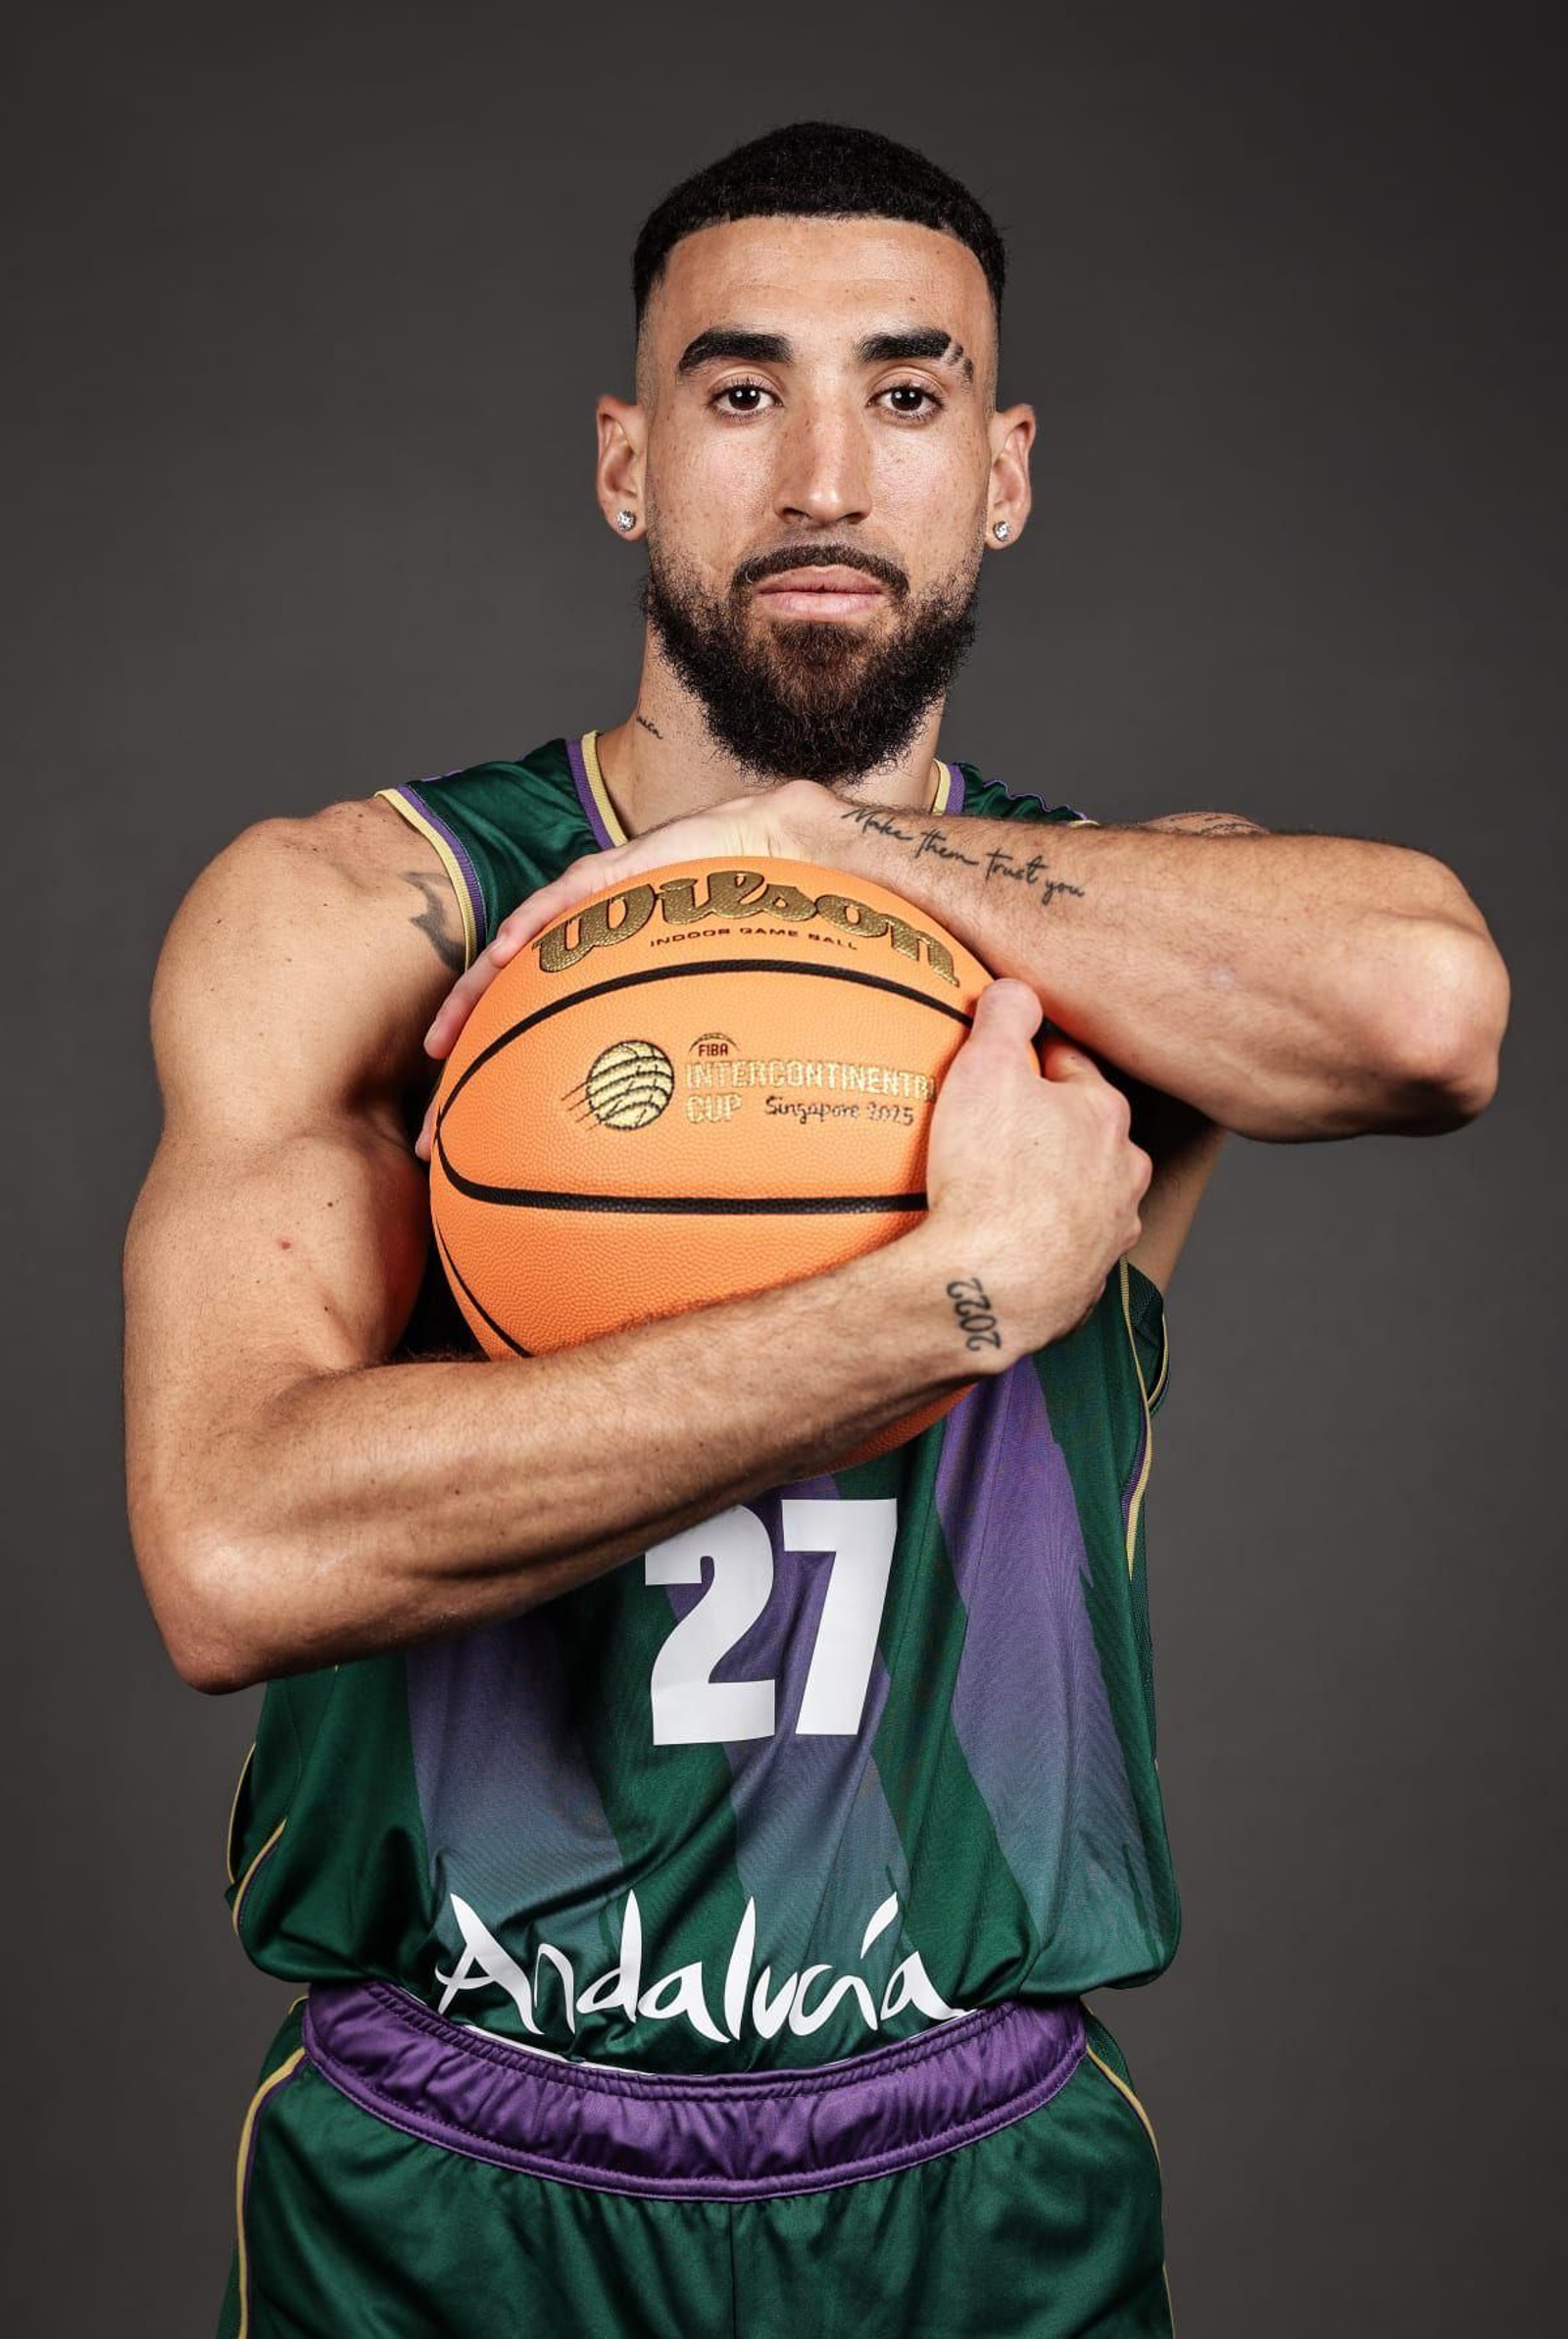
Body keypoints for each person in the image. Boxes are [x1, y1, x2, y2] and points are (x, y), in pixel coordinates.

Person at [122, 121, 1508, 2338]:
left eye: (908, 391)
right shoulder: (362, 919)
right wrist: (943, 1299)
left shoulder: (1126, 929)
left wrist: (839, 860)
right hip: (445, 2158)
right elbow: (236, 1551)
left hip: (966, 2158)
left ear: (1005, 467)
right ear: (622, 457)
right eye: (741, 391)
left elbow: (1436, 1009)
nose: (824, 482)